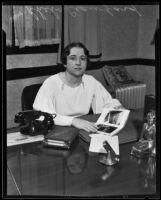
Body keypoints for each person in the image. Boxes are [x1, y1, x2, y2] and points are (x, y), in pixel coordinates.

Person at [33, 42, 122, 132]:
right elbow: (42, 114)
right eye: (73, 58)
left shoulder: (90, 81)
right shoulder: (51, 83)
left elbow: (108, 102)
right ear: (65, 63)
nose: (78, 63)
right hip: (58, 129)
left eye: (82, 59)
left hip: (85, 127)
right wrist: (73, 121)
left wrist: (117, 107)